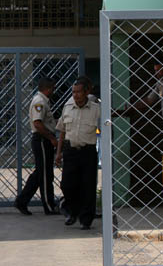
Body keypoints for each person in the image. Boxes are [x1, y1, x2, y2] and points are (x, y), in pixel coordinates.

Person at [55, 78, 101, 230]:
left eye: (79, 92)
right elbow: (62, 131)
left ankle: (86, 219)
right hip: (70, 151)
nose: (76, 95)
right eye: (73, 92)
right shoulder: (67, 108)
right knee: (67, 185)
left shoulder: (96, 109)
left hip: (88, 152)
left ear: (87, 92)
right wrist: (59, 152)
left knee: (88, 186)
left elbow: (105, 130)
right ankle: (72, 212)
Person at [14, 77, 59, 215]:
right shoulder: (39, 102)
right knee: (45, 175)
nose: (54, 91)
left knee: (40, 173)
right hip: (42, 140)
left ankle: (22, 201)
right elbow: (38, 123)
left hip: (43, 140)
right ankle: (49, 206)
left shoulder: (43, 101)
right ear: (48, 89)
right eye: (53, 88)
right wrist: (51, 138)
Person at [116, 56, 163, 122]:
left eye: (159, 71)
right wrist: (133, 107)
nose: (156, 73)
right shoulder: (160, 83)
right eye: (155, 70)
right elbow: (149, 99)